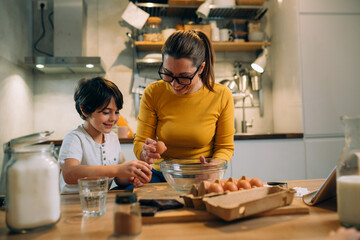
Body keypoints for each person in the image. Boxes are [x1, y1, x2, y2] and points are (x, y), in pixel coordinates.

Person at [133, 30, 235, 182]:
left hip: (201, 175)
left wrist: (213, 167)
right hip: (161, 175)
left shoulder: (221, 95)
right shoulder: (153, 92)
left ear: (201, 68)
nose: (175, 83)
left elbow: (225, 147)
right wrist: (145, 153)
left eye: (184, 77)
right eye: (168, 73)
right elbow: (140, 141)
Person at [59, 77, 152, 193]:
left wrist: (131, 177)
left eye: (117, 112)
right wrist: (117, 169)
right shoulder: (75, 138)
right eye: (106, 112)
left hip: (101, 203)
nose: (113, 118)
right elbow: (69, 174)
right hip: (72, 203)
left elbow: (118, 178)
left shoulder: (112, 138)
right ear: (84, 110)